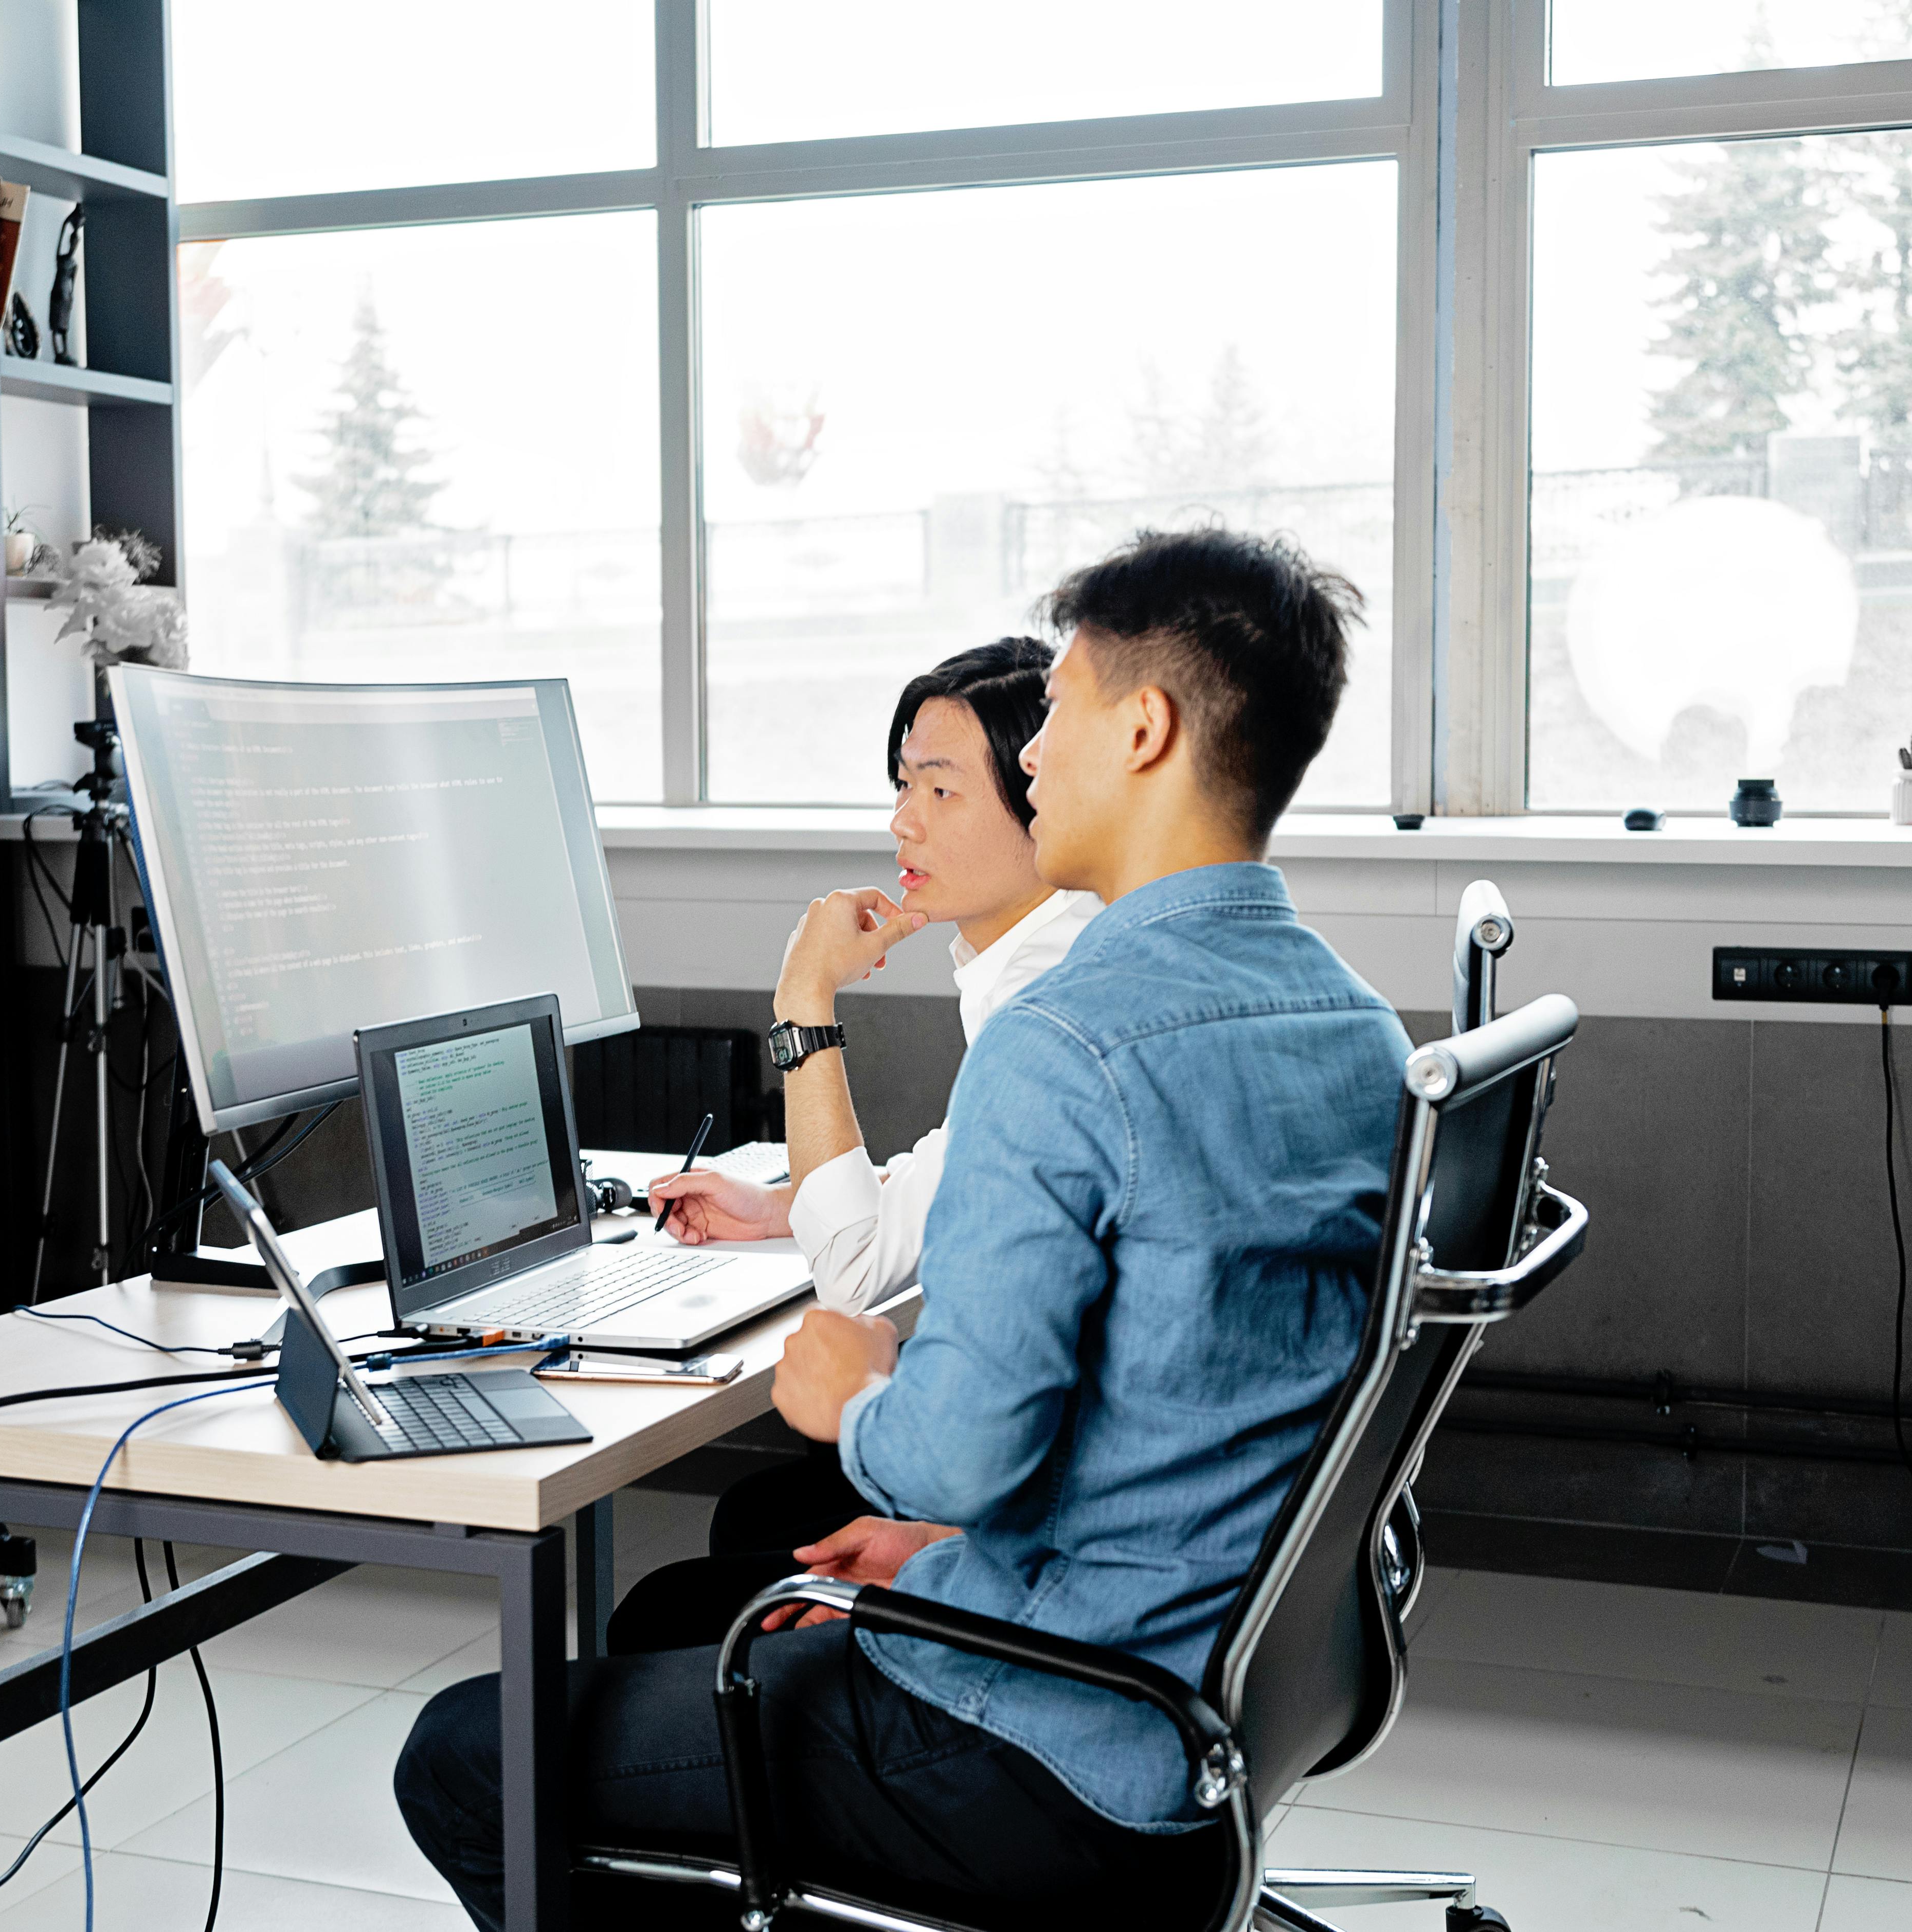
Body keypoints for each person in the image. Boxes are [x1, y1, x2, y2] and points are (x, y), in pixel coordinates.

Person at [394, 529, 1411, 1930]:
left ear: (1144, 726)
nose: (1035, 755)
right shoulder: (1360, 1024)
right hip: (1210, 1701)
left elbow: (958, 1446)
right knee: (689, 1625)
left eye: (1051, 715)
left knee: (466, 1753)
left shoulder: (1070, 1035)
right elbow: (1198, 1413)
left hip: (1049, 1740)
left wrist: (854, 1399)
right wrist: (940, 1554)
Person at [606, 640, 1101, 1652]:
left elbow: (857, 1274)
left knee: (674, 1600)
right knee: (756, 1517)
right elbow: (966, 1174)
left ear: (1041, 799)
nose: (901, 822)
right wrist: (783, 1206)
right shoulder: (1064, 953)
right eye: (901, 783)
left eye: (940, 789)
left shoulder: (1046, 1004)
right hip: (1061, 1475)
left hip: (1045, 1518)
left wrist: (803, 1002)